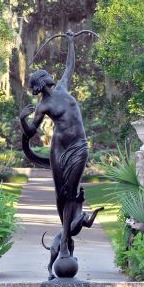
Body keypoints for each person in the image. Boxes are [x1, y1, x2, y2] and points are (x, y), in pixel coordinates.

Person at [20, 30, 88, 259]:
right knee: (62, 194)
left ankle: (69, 232)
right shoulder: (42, 106)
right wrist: (23, 120)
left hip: (79, 146)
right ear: (41, 83)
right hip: (59, 151)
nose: (51, 76)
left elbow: (70, 66)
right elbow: (31, 131)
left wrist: (70, 42)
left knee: (73, 189)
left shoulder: (62, 88)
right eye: (45, 75)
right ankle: (67, 240)